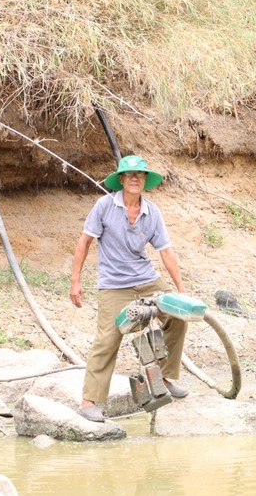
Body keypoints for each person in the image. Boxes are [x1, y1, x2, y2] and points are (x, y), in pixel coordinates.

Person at [70, 155, 189, 422]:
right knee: (108, 337)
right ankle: (89, 400)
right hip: (114, 285)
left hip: (147, 280)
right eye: (130, 174)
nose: (135, 178)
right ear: (121, 179)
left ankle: (163, 378)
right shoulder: (104, 206)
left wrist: (180, 290)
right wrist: (75, 282)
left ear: (145, 180)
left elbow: (166, 252)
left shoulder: (152, 212)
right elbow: (84, 243)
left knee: (178, 316)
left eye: (140, 174)